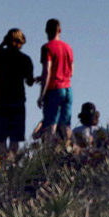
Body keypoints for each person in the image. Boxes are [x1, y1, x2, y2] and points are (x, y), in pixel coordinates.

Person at [0, 28, 35, 159]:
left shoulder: (0, 56)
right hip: (17, 102)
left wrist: (2, 44)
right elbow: (29, 82)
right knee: (15, 138)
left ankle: (3, 166)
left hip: (1, 102)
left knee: (1, 138)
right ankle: (12, 165)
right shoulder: (25, 59)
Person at [37, 19, 74, 147]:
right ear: (60, 30)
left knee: (51, 124)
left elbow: (47, 71)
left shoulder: (47, 48)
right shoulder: (68, 48)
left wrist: (42, 94)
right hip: (68, 88)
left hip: (54, 89)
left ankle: (50, 153)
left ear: (46, 31)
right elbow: (71, 71)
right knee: (65, 125)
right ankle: (69, 150)